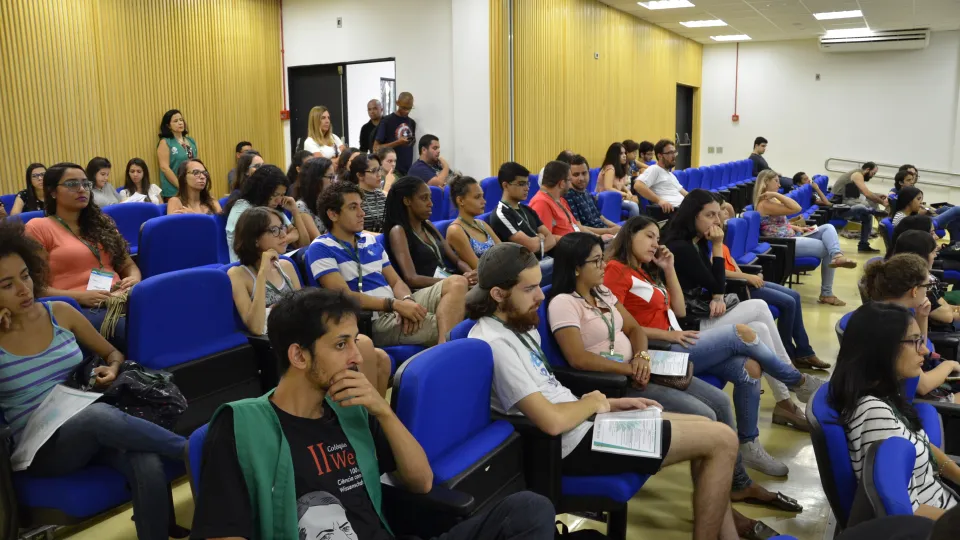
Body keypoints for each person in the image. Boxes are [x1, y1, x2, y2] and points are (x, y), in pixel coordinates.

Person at [191, 287, 556, 540]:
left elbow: (421, 482)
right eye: (340, 344)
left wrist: (383, 410)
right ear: (299, 356)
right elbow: (224, 531)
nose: (356, 356)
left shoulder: (352, 409)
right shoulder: (240, 426)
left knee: (528, 509)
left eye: (354, 340)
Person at [465, 242, 741, 540]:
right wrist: (597, 402)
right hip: (566, 446)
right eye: (529, 289)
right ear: (498, 294)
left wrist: (605, 405)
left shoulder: (519, 323)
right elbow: (551, 422)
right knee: (722, 440)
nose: (540, 295)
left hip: (585, 424)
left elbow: (552, 391)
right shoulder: (494, 343)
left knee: (712, 430)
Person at [551, 233, 804, 519]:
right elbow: (578, 359)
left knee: (720, 401)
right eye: (596, 260)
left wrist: (642, 357)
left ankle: (738, 484)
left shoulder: (602, 293)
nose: (602, 265)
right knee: (706, 416)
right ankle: (721, 508)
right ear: (575, 267)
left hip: (643, 368)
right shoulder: (563, 303)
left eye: (602, 257)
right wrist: (630, 369)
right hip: (617, 385)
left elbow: (634, 330)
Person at [0, 220, 188, 540]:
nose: (23, 289)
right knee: (96, 416)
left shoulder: (60, 312)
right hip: (40, 450)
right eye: (6, 285)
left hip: (87, 427)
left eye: (26, 276)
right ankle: (195, 452)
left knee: (146, 462)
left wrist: (112, 369)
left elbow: (114, 354)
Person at [602, 218, 820, 472]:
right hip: (659, 349)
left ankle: (749, 445)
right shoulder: (616, 270)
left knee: (750, 369)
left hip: (677, 339)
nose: (655, 244)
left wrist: (668, 268)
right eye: (649, 237)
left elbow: (680, 310)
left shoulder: (644, 271)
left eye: (657, 239)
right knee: (741, 333)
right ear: (630, 236)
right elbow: (615, 325)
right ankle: (797, 382)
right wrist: (668, 336)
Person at [662, 189, 824, 430]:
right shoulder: (681, 246)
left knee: (759, 326)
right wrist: (718, 245)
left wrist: (717, 294)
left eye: (718, 214)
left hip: (703, 313)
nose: (717, 221)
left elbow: (713, 282)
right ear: (692, 216)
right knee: (759, 307)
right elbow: (716, 281)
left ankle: (785, 402)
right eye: (710, 215)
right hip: (688, 325)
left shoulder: (696, 241)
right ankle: (793, 381)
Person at [227, 207, 391, 396]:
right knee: (363, 344)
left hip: (305, 333)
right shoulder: (238, 274)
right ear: (255, 239)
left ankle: (369, 417)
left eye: (282, 228)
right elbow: (255, 327)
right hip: (282, 345)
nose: (283, 235)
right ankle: (363, 415)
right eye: (274, 230)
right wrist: (263, 272)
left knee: (382, 359)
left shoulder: (287, 266)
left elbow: (305, 311)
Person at [830, 301, 959, 518]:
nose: (925, 350)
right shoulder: (874, 415)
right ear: (883, 348)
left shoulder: (884, 393)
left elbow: (923, 444)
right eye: (915, 341)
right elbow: (907, 513)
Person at [309, 181, 467, 347]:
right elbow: (345, 296)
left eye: (361, 206)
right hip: (372, 319)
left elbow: (396, 281)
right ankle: (447, 350)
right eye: (353, 207)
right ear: (333, 214)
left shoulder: (369, 240)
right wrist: (394, 305)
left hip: (395, 304)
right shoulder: (321, 247)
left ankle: (444, 349)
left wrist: (407, 301)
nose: (362, 213)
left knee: (458, 282)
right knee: (452, 324)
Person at [25, 163, 140, 348]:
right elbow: (35, 288)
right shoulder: (38, 227)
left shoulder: (102, 223)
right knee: (135, 329)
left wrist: (134, 279)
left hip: (121, 298)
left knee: (168, 313)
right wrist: (79, 297)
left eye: (85, 184)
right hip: (80, 308)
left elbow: (128, 265)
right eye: (71, 184)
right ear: (53, 192)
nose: (81, 189)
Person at [862, 254, 960, 402]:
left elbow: (920, 348)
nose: (928, 292)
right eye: (927, 287)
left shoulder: (885, 311)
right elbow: (923, 385)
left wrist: (922, 316)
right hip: (911, 401)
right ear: (914, 291)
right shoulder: (896, 325)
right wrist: (951, 364)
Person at [754, 169, 858, 306]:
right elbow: (796, 208)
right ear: (766, 182)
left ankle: (837, 255)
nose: (779, 185)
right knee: (828, 248)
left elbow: (778, 224)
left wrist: (796, 227)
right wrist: (775, 194)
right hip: (785, 244)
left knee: (828, 228)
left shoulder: (771, 200)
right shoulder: (765, 203)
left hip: (791, 235)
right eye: (776, 181)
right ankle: (827, 293)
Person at [383, 176, 477, 287]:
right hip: (426, 289)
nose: (430, 203)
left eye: (430, 198)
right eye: (424, 198)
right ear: (407, 201)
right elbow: (411, 278)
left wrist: (469, 273)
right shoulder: (398, 231)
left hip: (450, 282)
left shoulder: (427, 225)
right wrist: (454, 280)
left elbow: (456, 261)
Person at [490, 162, 558, 284]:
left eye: (527, 183)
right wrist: (540, 238)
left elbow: (551, 239)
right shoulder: (501, 214)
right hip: (524, 269)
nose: (527, 188)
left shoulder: (527, 209)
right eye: (521, 184)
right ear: (505, 185)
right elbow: (529, 247)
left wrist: (538, 241)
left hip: (543, 260)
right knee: (567, 264)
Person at [224, 165, 306, 262]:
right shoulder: (243, 209)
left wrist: (295, 211)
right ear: (262, 191)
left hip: (274, 261)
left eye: (282, 195)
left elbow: (304, 243)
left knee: (304, 254)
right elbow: (252, 247)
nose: (279, 200)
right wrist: (287, 238)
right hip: (248, 267)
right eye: (275, 195)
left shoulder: (271, 208)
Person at [530, 161, 610, 240]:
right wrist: (577, 243)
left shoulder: (560, 199)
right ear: (562, 184)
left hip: (579, 241)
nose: (571, 184)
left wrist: (598, 238)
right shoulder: (541, 203)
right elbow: (547, 239)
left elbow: (577, 226)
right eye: (569, 180)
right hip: (569, 248)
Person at [829, 161, 886, 253]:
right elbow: (866, 193)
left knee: (867, 214)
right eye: (873, 173)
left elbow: (862, 192)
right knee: (863, 206)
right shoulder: (857, 174)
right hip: (839, 205)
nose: (872, 176)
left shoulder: (856, 174)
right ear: (867, 170)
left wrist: (877, 195)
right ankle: (877, 215)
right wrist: (883, 203)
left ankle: (864, 245)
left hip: (846, 202)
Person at [446, 176, 501, 269]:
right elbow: (478, 266)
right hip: (485, 278)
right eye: (477, 197)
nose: (484, 201)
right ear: (460, 200)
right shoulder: (455, 230)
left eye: (482, 196)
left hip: (500, 272)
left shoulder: (481, 224)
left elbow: (504, 251)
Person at [563, 155, 620, 235]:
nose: (581, 178)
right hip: (591, 237)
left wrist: (619, 228)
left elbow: (601, 218)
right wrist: (608, 231)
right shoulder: (568, 196)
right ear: (569, 176)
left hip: (605, 232)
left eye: (584, 173)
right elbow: (578, 227)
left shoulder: (586, 192)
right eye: (576, 175)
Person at [633, 139, 687, 215]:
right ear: (660, 156)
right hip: (672, 212)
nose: (674, 156)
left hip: (683, 208)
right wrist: (659, 201)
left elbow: (685, 193)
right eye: (670, 153)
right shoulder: (655, 169)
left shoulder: (671, 175)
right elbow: (638, 185)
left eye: (674, 152)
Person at [156, 109, 198, 201]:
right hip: (174, 190)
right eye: (175, 121)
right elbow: (164, 168)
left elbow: (195, 164)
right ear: (168, 126)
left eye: (181, 120)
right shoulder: (166, 142)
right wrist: (181, 186)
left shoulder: (190, 141)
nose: (180, 123)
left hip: (192, 187)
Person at [374, 91, 417, 175]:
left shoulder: (412, 122)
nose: (406, 111)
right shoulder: (386, 121)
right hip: (391, 171)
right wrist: (398, 142)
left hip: (407, 171)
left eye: (409, 108)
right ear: (397, 103)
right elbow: (376, 148)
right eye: (404, 108)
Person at [597, 142, 641, 219]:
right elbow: (608, 188)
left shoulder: (620, 168)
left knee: (636, 200)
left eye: (625, 153)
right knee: (633, 206)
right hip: (605, 200)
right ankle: (631, 229)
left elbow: (621, 184)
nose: (624, 156)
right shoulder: (610, 168)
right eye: (621, 154)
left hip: (616, 197)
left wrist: (628, 192)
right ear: (614, 156)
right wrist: (625, 195)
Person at [295, 157, 335, 240]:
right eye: (330, 177)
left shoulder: (329, 201)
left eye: (334, 177)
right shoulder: (301, 206)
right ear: (316, 179)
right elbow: (318, 240)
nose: (333, 182)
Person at [345, 153, 387, 233]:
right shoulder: (352, 196)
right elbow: (349, 228)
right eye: (374, 171)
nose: (379, 175)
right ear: (360, 175)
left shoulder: (381, 195)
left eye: (379, 170)